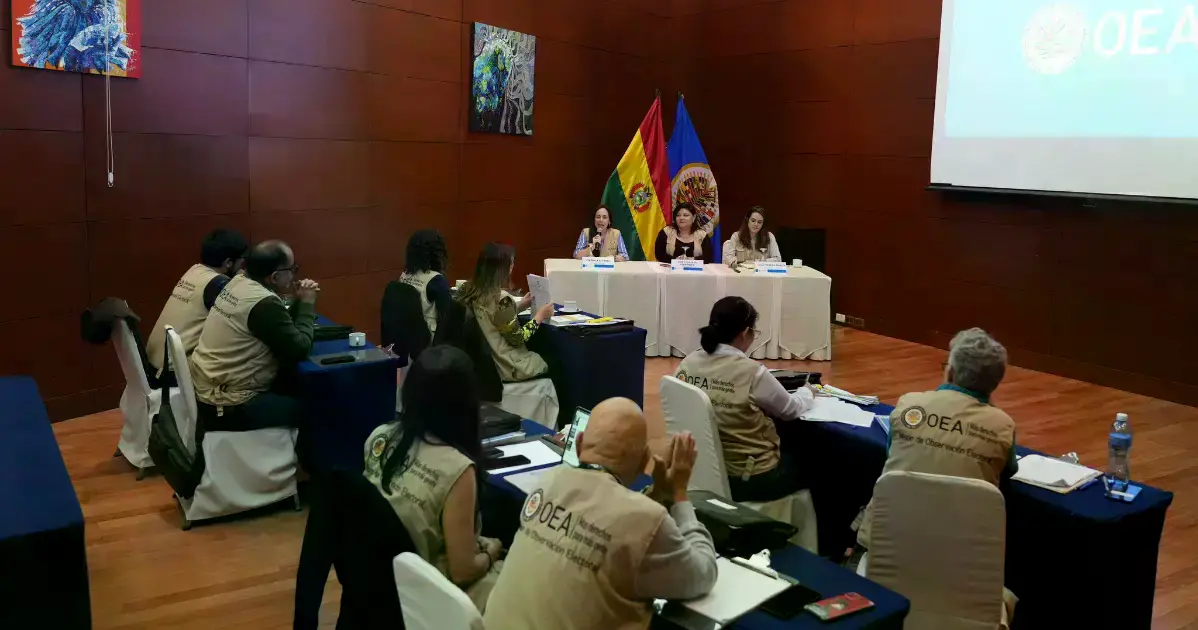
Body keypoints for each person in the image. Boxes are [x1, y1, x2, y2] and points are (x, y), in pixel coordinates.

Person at [484, 398, 718, 630]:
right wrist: (679, 494)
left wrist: (658, 494)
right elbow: (703, 573)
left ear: (579, 444)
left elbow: (607, 519)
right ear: (644, 461)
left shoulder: (549, 481)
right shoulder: (645, 519)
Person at [363, 345, 503, 611]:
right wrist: (492, 549)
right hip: (424, 595)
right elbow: (462, 572)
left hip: (375, 583)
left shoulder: (379, 436)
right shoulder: (457, 469)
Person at [855, 327, 1018, 550]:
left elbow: (892, 452)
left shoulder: (909, 405)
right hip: (957, 557)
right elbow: (1007, 471)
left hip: (884, 546)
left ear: (950, 373)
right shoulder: (1003, 426)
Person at [674, 296, 814, 503]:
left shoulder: (687, 364)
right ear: (743, 333)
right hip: (750, 478)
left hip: (702, 471)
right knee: (819, 464)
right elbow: (790, 410)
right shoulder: (752, 373)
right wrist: (807, 392)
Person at [189, 240, 319, 433]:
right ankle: (304, 463)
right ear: (274, 277)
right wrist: (308, 303)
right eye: (292, 269)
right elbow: (299, 348)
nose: (294, 274)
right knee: (319, 408)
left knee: (291, 383)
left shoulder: (238, 282)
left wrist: (299, 301)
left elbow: (275, 328)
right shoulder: (263, 302)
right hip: (230, 405)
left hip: (209, 392)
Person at [145, 229, 248, 377]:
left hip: (154, 366)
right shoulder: (218, 284)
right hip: (173, 374)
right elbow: (244, 317)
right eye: (241, 261)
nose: (242, 266)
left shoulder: (194, 271)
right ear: (229, 262)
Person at [456, 242, 554, 383]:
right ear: (503, 268)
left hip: (482, 362)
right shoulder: (501, 299)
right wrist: (540, 316)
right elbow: (518, 339)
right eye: (511, 264)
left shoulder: (468, 289)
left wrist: (520, 305)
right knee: (555, 361)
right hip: (505, 365)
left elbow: (494, 316)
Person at [398, 229, 451, 338]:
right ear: (437, 254)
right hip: (428, 343)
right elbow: (448, 316)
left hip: (405, 338)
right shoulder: (436, 280)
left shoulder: (404, 276)